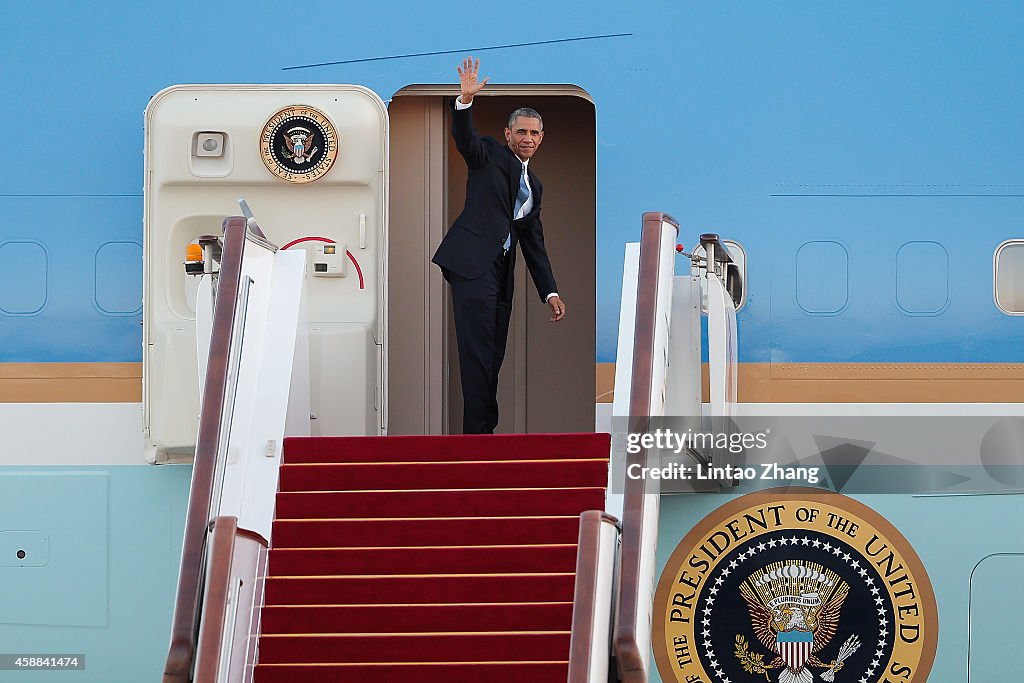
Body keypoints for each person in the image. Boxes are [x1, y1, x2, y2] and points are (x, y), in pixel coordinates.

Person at [432, 57, 567, 434]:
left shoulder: (534, 186)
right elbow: (466, 142)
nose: (527, 138)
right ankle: (478, 440)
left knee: (493, 353)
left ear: (541, 138)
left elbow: (533, 243)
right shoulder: (489, 153)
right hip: (473, 265)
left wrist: (549, 291)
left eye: (535, 133)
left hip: (501, 273)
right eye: (521, 131)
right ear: (508, 134)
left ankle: (482, 434)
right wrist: (465, 102)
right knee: (477, 352)